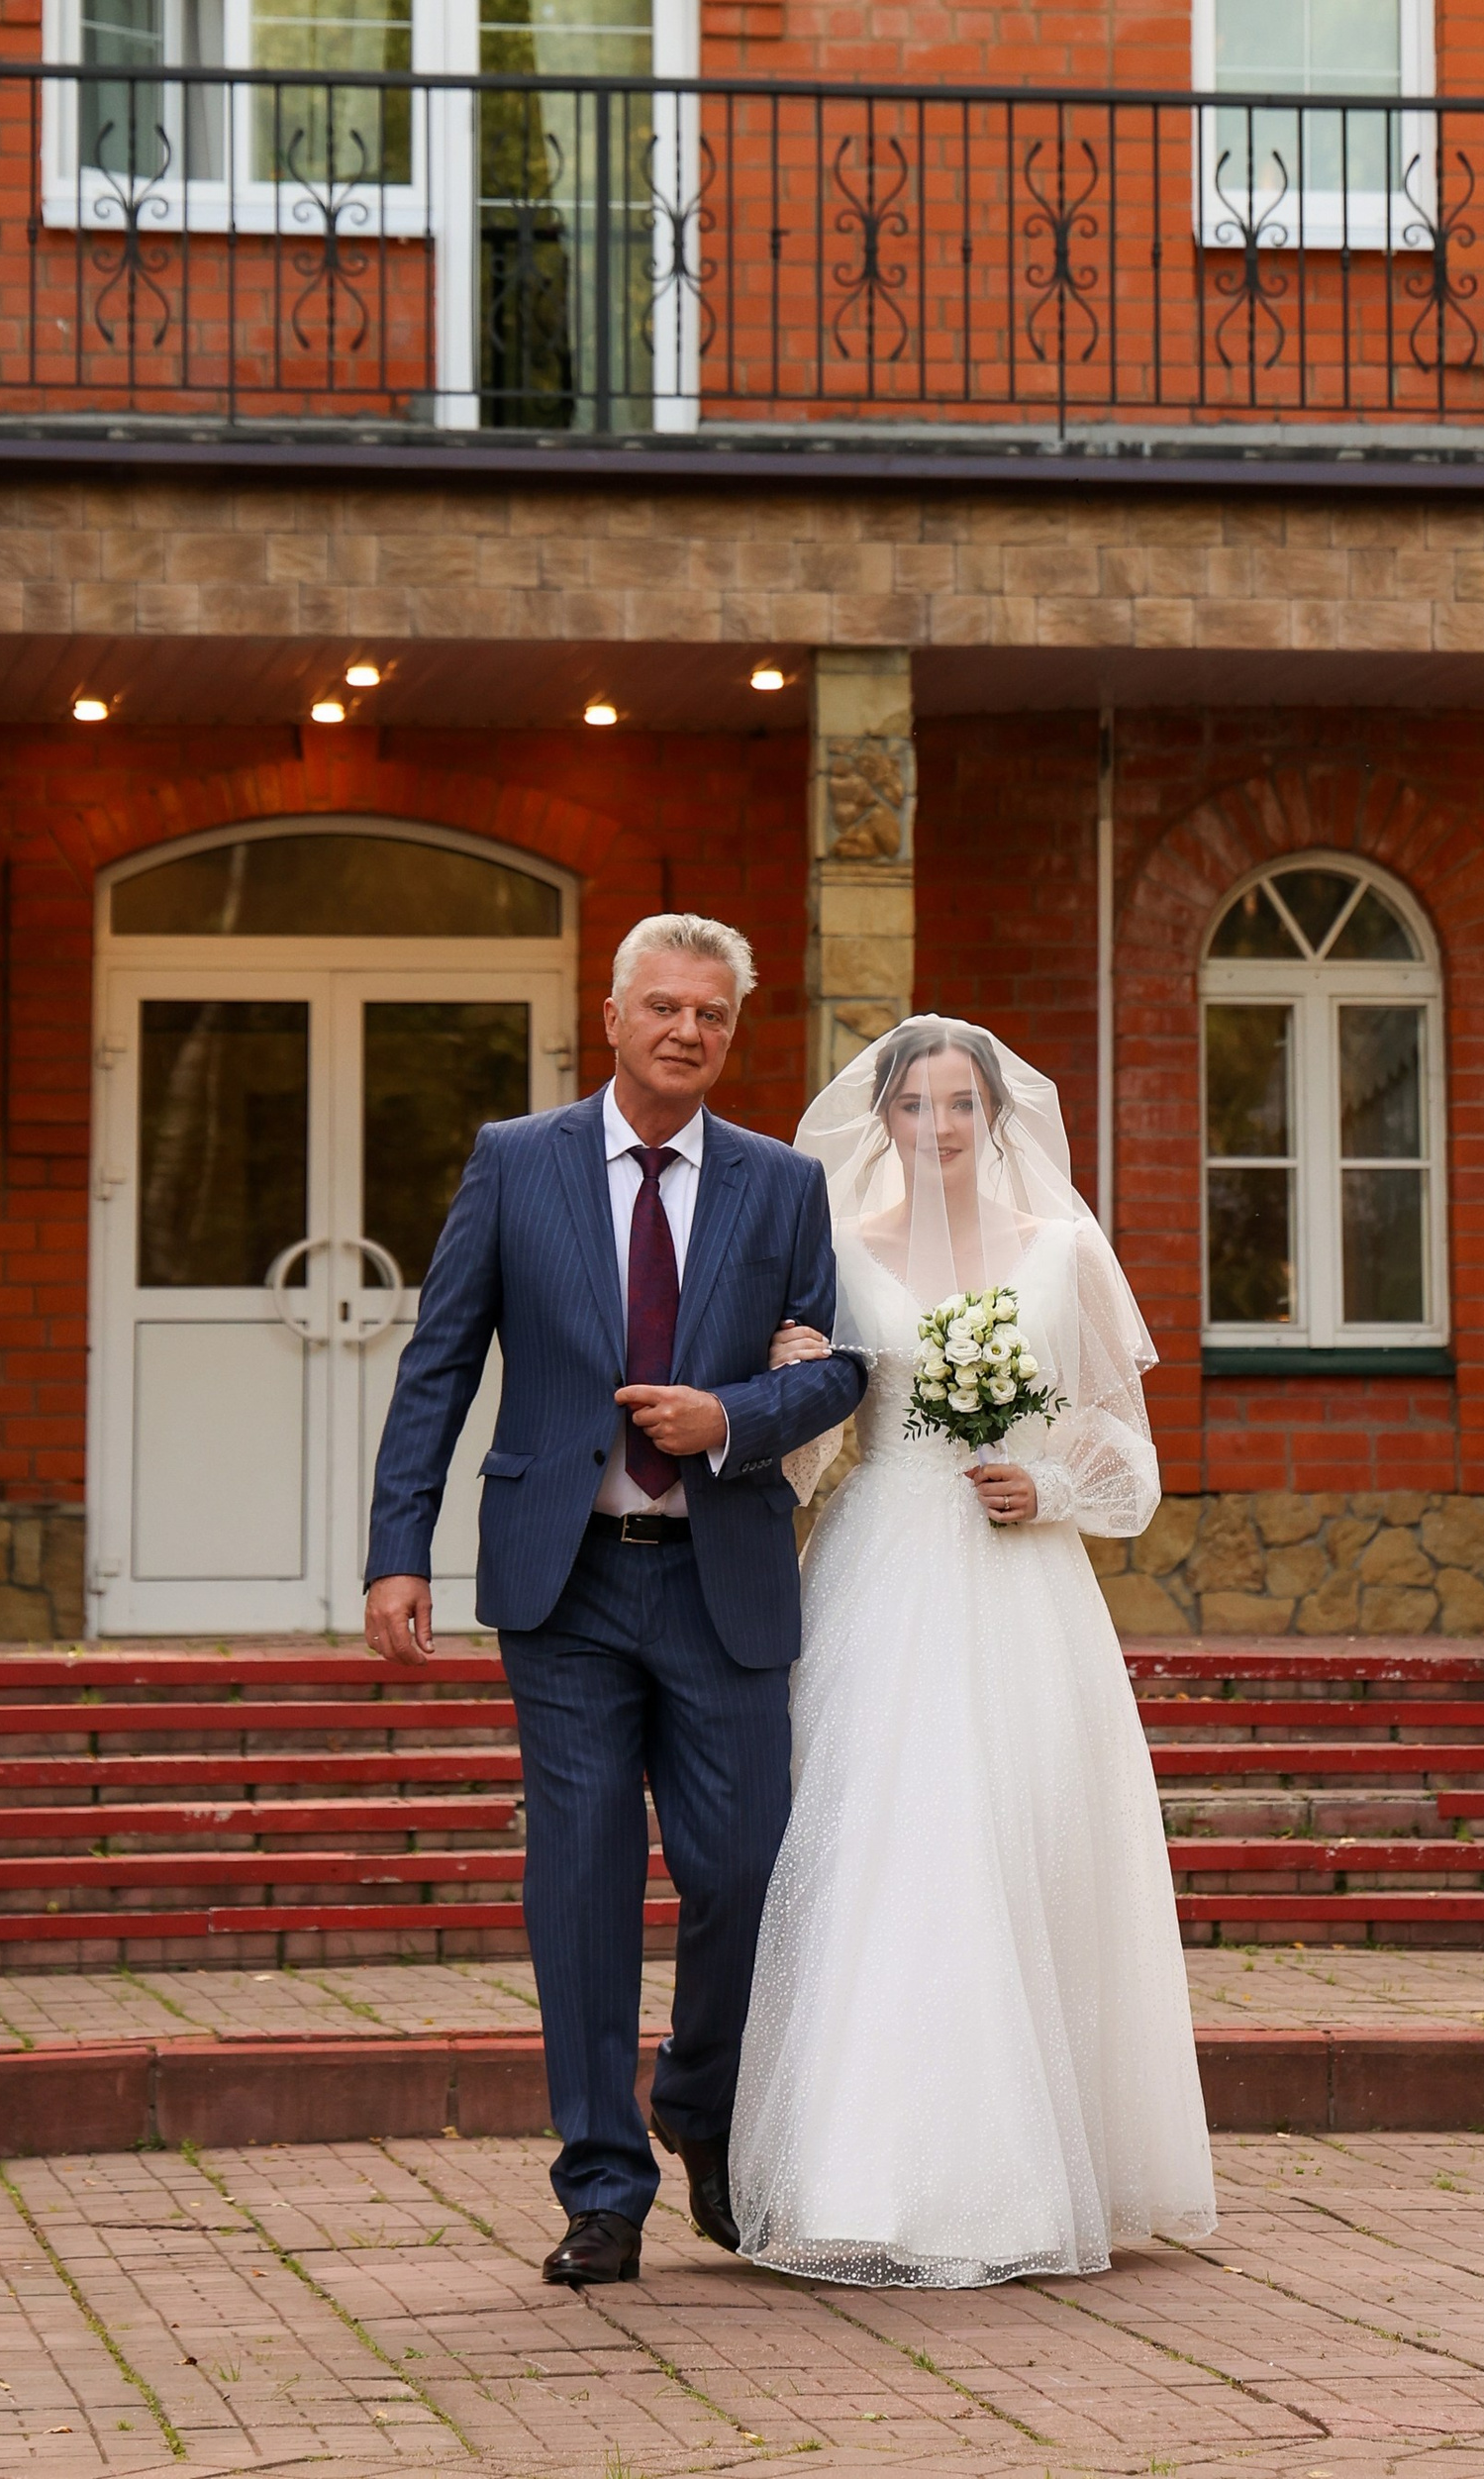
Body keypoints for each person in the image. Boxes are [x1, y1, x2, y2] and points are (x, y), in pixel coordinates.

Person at [361, 913, 866, 2291]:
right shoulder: (515, 1162)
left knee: (743, 1871)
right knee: (581, 1886)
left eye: (713, 1013)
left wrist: (730, 1416)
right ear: (614, 1016)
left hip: (723, 1582)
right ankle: (602, 2185)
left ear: (731, 1031)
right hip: (565, 1579)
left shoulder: (781, 1183)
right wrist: (397, 1550)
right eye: (664, 1006)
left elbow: (836, 1368)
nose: (687, 1031)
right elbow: (439, 1362)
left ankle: (698, 2102)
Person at [728, 1014, 1217, 2287]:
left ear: (995, 1115)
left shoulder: (1062, 1250)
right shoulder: (838, 1250)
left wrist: (1048, 1487)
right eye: (913, 1105)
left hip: (1019, 1585)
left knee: (1019, 1839)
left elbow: (1126, 1446)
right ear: (881, 1118)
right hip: (883, 1570)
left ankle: (1033, 2171)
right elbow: (807, 1453)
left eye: (959, 1104)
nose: (936, 1127)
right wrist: (790, 1373)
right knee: (883, 1844)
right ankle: (866, 2175)